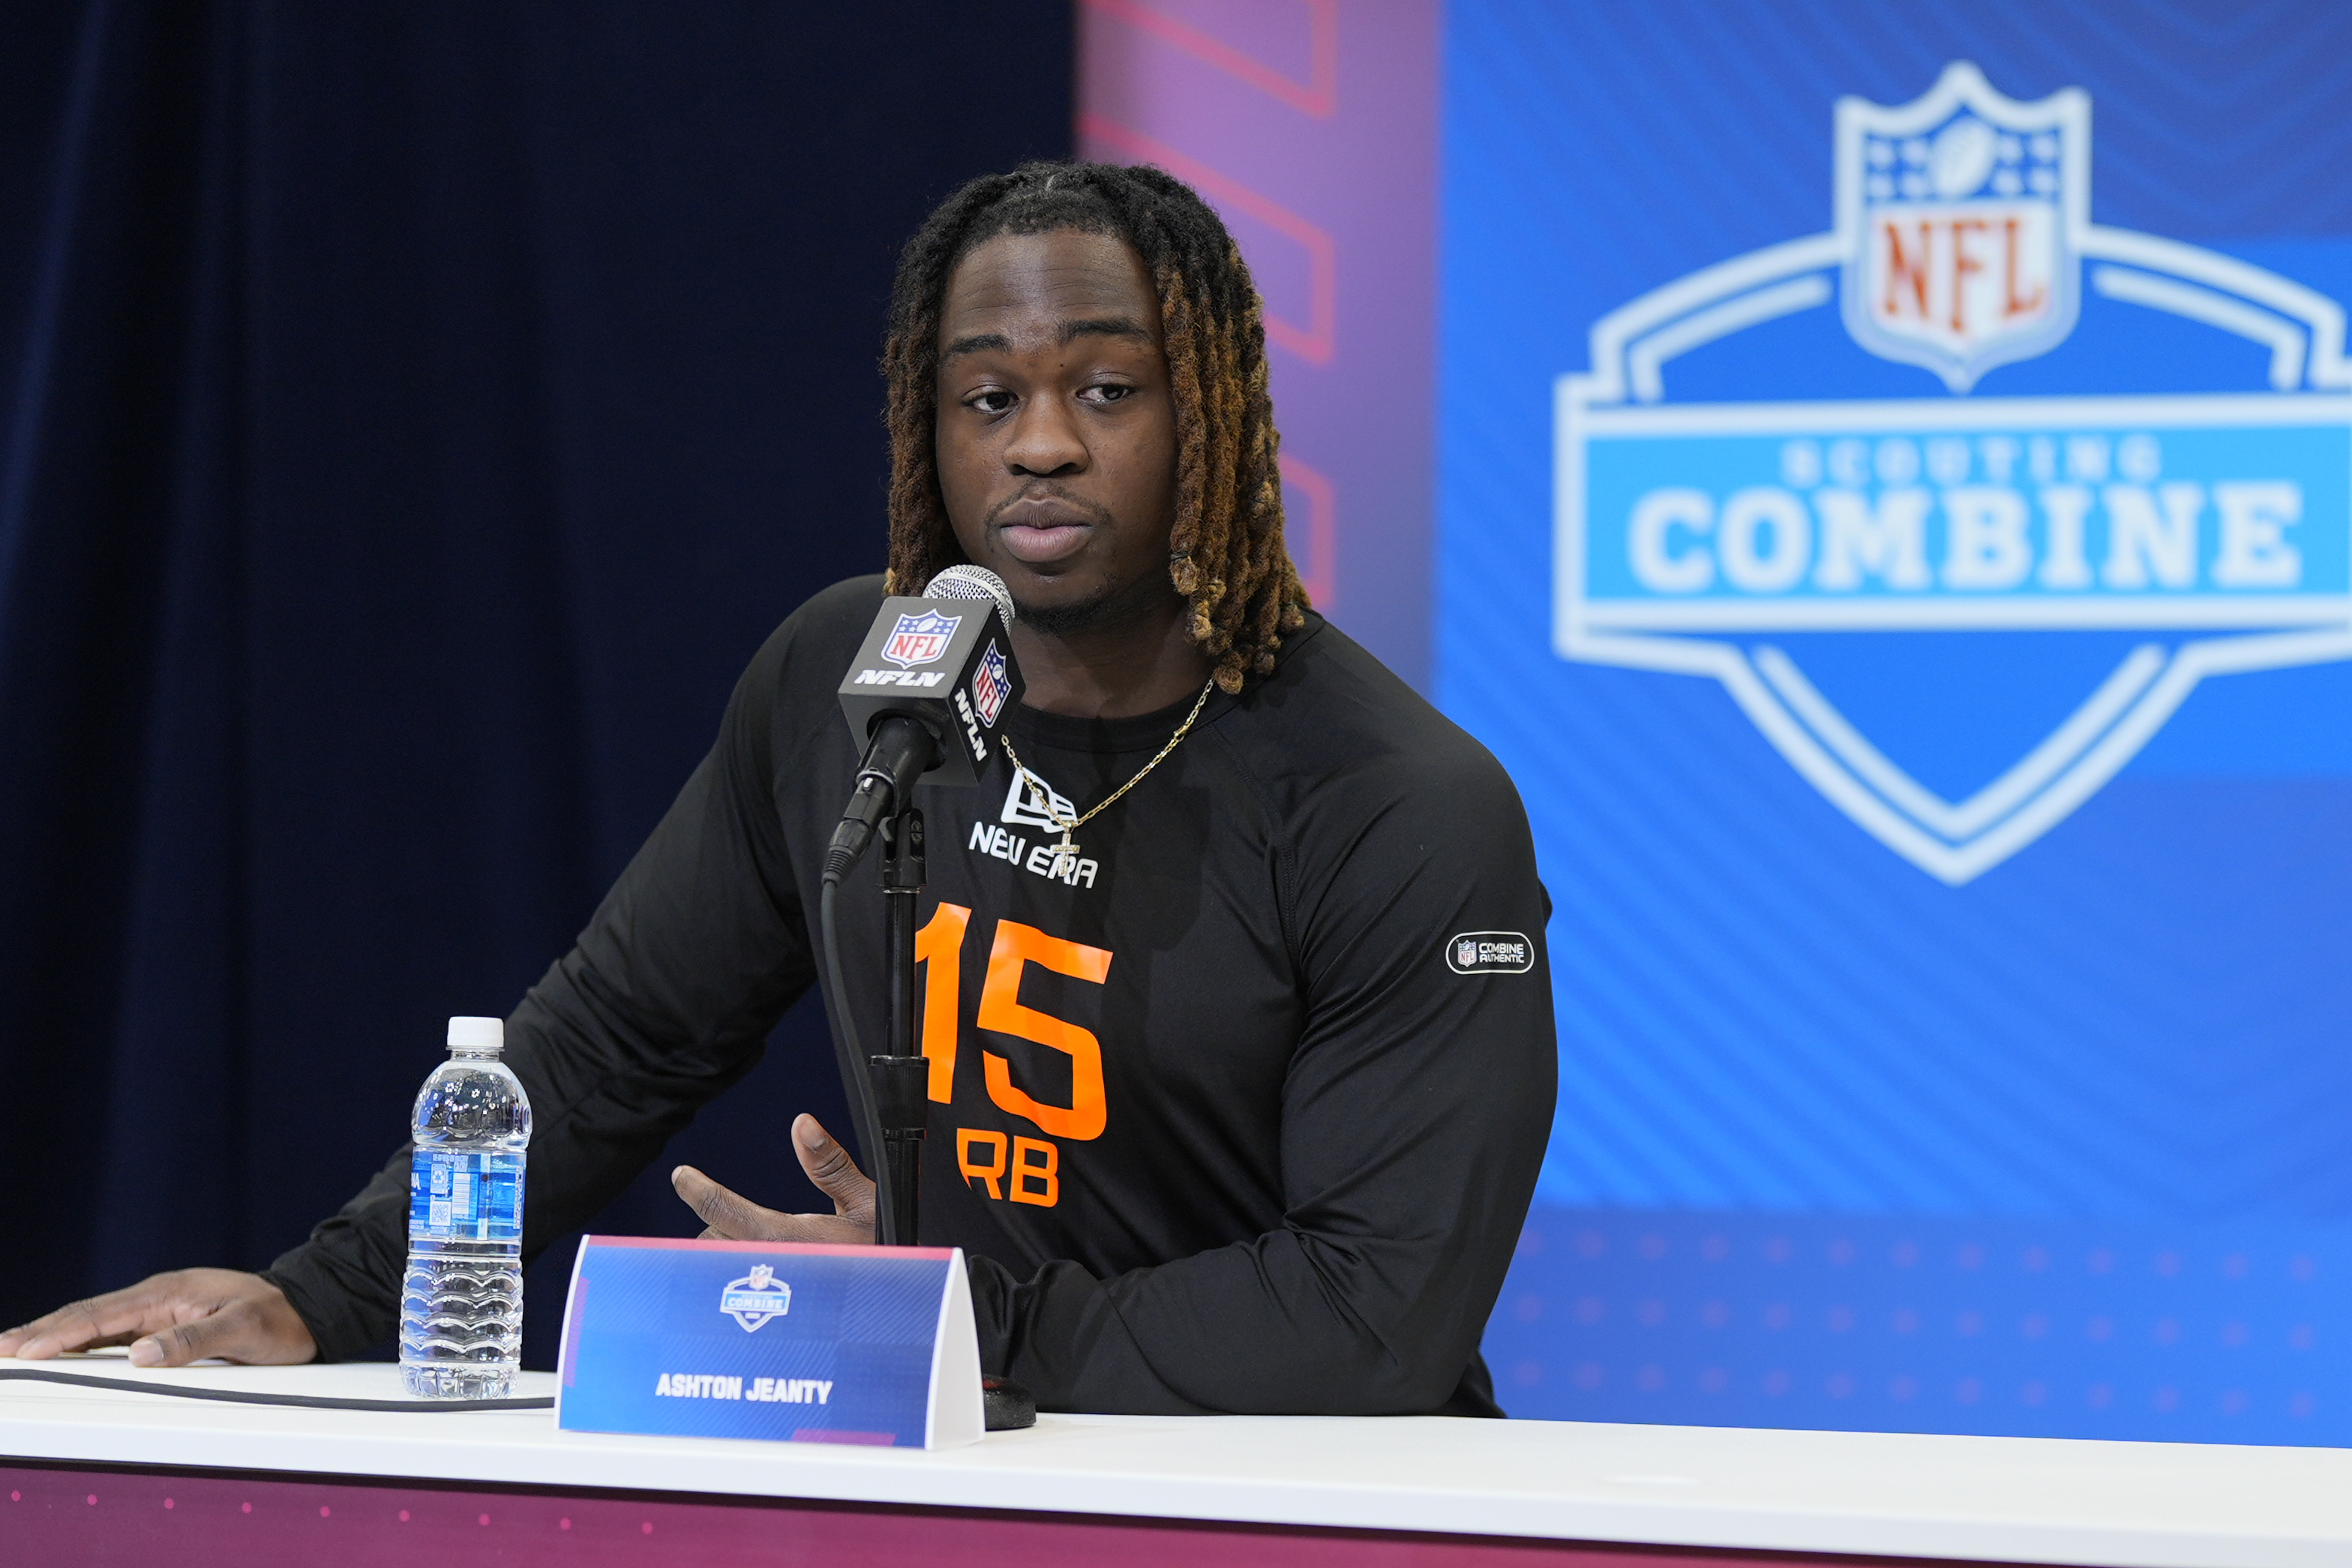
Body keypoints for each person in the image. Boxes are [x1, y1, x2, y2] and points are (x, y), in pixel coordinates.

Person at [1, 163, 1555, 1415]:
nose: (1041, 448)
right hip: (956, 1452)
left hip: (1292, 1494)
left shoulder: (1394, 801)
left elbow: (1376, 1317)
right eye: (988, 398)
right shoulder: (850, 681)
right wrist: (326, 1294)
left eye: (1106, 390)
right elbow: (619, 1037)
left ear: (1210, 415)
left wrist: (961, 1315)